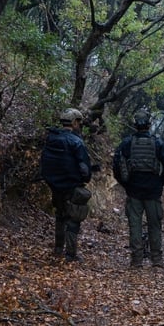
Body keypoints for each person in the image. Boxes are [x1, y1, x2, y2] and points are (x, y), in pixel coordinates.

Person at [112, 108, 164, 267]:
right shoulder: (158, 143)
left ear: (135, 124)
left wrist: (124, 183)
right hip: (153, 190)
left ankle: (136, 260)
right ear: (149, 124)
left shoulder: (127, 143)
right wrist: (162, 182)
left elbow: (116, 164)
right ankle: (157, 259)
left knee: (135, 225)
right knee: (154, 224)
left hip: (133, 190)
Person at [39, 108, 92, 261]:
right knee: (74, 219)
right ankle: (70, 254)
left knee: (60, 216)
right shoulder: (76, 142)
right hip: (72, 185)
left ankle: (57, 249)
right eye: (79, 122)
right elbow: (84, 167)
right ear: (75, 122)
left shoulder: (51, 138)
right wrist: (86, 177)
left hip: (54, 185)